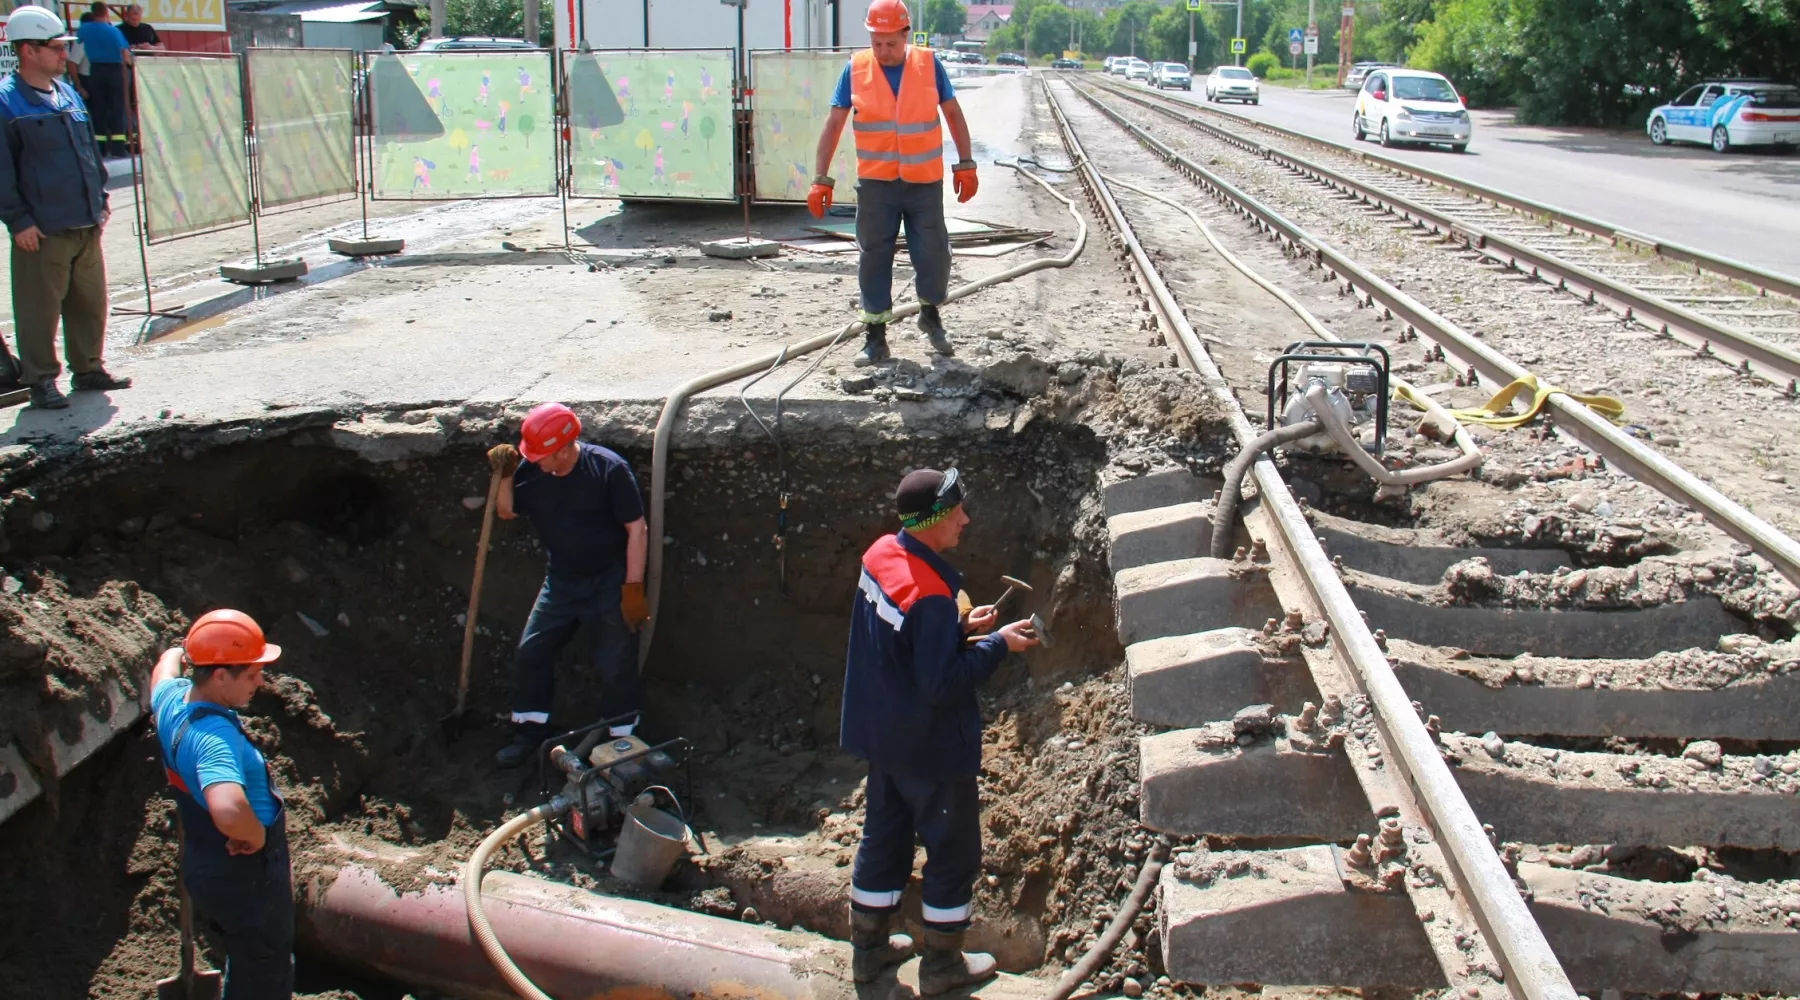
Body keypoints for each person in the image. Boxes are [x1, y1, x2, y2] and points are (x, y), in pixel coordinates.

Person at [840, 467, 1039, 995]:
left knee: (882, 840)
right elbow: (943, 684)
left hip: (884, 735)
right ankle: (943, 967)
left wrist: (957, 628)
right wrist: (998, 644)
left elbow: (901, 643)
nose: (966, 520)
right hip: (929, 747)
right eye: (957, 513)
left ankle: (869, 955)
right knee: (952, 853)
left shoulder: (882, 554)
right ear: (932, 522)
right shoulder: (931, 595)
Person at [808, 0, 977, 367]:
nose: (883, 51)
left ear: (906, 35)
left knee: (933, 255)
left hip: (923, 182)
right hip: (876, 185)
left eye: (891, 43)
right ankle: (875, 337)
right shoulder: (855, 69)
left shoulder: (929, 65)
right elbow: (834, 123)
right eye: (876, 43)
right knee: (874, 257)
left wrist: (965, 163)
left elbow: (952, 113)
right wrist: (821, 179)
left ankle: (930, 315)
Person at [486, 403, 651, 768]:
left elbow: (636, 529)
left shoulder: (608, 469)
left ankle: (621, 744)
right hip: (561, 580)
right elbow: (507, 510)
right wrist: (507, 475)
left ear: (563, 450)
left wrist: (633, 588)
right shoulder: (534, 470)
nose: (536, 461)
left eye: (542, 455)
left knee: (616, 665)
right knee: (531, 652)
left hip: (609, 581)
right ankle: (529, 732)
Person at [149, 609, 293, 999]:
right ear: (219, 676)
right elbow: (228, 809)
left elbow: (163, 667)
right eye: (250, 674)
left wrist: (183, 651)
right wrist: (257, 837)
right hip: (245, 874)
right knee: (263, 968)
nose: (260, 681)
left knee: (246, 952)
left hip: (205, 861)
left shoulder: (171, 700)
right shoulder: (213, 737)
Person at [0, 5, 132, 409]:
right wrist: (18, 220)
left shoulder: (68, 93)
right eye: (56, 48)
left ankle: (88, 367)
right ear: (27, 50)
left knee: (90, 301)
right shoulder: (7, 104)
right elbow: (2, 169)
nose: (65, 55)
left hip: (85, 220)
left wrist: (101, 200)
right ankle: (40, 379)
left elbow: (89, 152)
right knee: (39, 308)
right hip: (42, 228)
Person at [74, 1, 130, 157]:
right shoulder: (114, 31)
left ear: (92, 13)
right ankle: (119, 148)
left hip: (95, 71)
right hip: (115, 70)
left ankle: (100, 148)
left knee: (98, 110)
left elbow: (76, 50)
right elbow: (126, 54)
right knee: (117, 109)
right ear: (106, 13)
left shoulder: (84, 30)